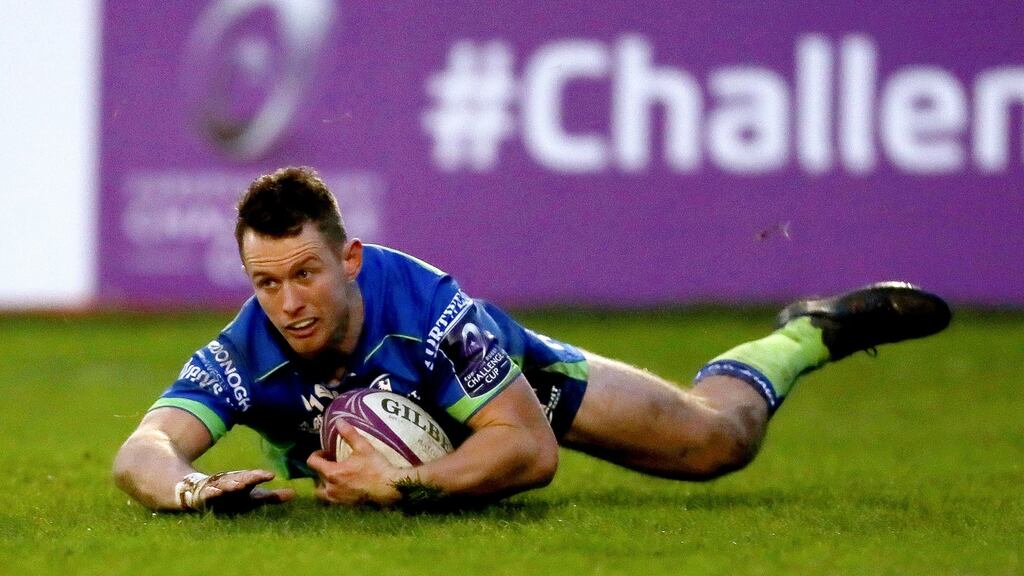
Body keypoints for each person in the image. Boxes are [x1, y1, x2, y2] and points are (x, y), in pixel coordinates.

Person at [112, 166, 952, 512]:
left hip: (515, 386)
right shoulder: (246, 348)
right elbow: (144, 447)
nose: (288, 303)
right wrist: (189, 487)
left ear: (351, 260)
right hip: (432, 429)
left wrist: (402, 488)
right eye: (266, 282)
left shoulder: (431, 310)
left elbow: (530, 451)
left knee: (714, 444)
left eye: (305, 274)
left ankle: (804, 335)